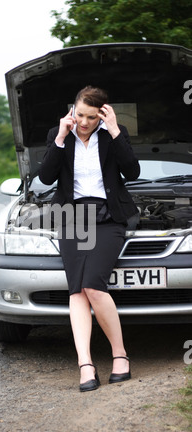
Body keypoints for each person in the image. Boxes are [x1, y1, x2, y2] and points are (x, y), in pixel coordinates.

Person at [38, 86, 140, 392]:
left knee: (93, 286)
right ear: (73, 110)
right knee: (77, 290)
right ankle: (86, 364)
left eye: (91, 117)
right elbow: (45, 177)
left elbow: (132, 172)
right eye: (80, 114)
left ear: (102, 114)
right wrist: (59, 137)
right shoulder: (60, 137)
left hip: (109, 216)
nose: (84, 122)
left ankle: (120, 356)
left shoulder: (112, 135)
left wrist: (114, 130)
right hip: (73, 217)